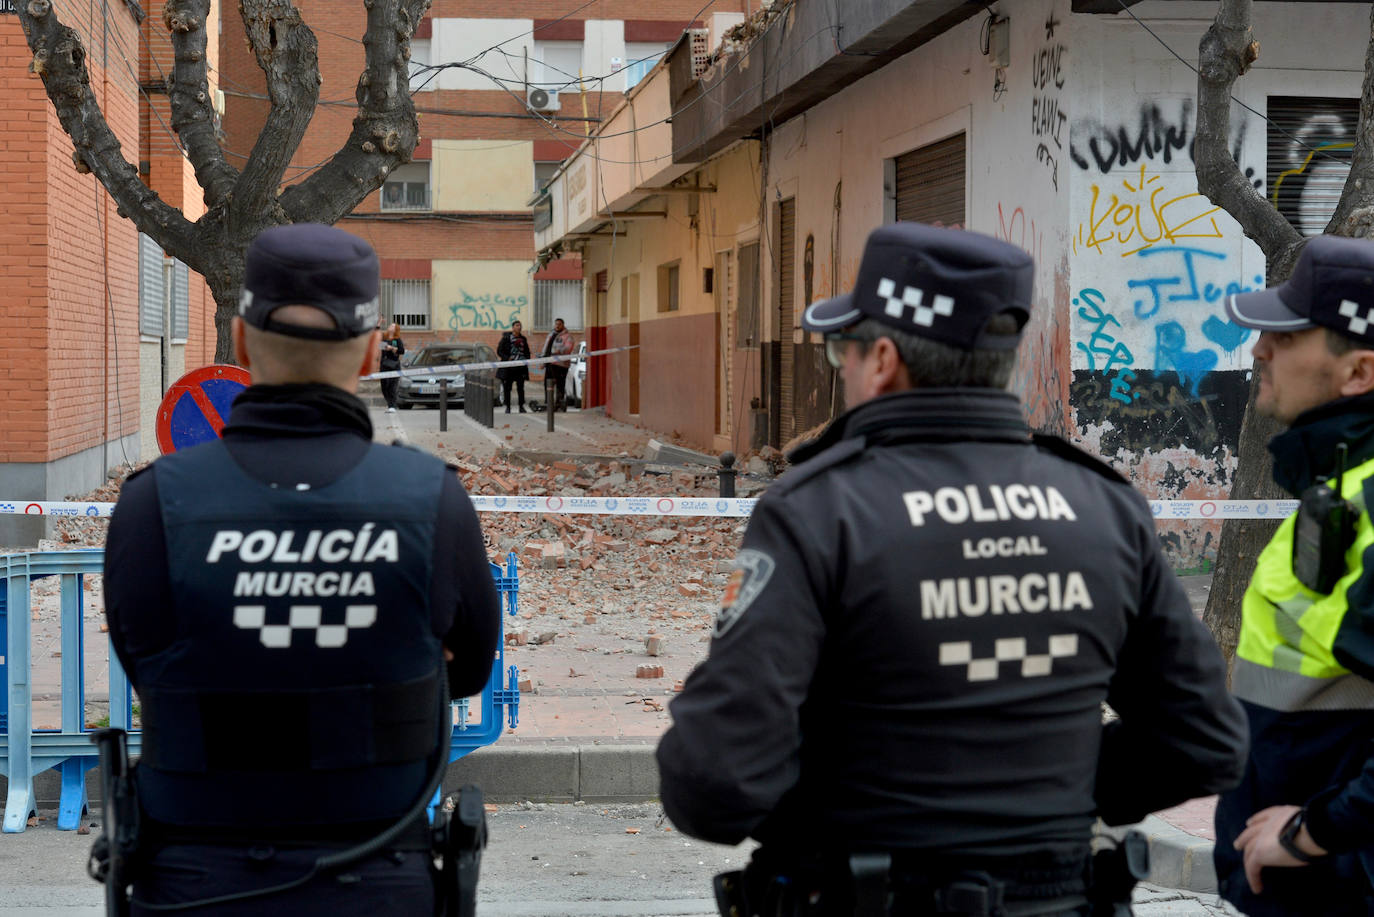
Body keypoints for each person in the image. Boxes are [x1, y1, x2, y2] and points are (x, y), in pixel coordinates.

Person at [656, 222, 1248, 917]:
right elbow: (1205, 739)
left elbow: (712, 781)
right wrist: (1053, 787)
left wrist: (851, 802)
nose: (840, 369)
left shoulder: (821, 508)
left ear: (881, 360)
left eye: (840, 350)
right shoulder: (1104, 505)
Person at [103, 223, 502, 916]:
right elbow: (466, 671)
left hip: (192, 888)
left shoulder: (151, 506)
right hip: (380, 884)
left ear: (239, 340)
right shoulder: (432, 501)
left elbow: (143, 661)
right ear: (375, 348)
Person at [1214, 234, 1374, 917]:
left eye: (1286, 336)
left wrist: (1313, 832)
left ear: (1358, 372)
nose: (1258, 351)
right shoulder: (1338, 487)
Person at [540, 317, 574, 411]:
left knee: (560, 384)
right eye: (556, 324)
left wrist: (558, 351)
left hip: (561, 365)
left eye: (559, 324)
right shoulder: (551, 335)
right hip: (550, 363)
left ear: (563, 325)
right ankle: (548, 402)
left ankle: (559, 403)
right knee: (548, 383)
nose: (557, 326)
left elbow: (568, 348)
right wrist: (543, 361)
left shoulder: (567, 336)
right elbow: (546, 348)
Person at [497, 319, 531, 413]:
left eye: (520, 325)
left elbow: (527, 352)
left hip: (520, 368)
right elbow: (499, 351)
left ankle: (521, 406)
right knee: (507, 388)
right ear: (513, 328)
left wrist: (526, 360)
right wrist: (507, 358)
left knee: (521, 388)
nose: (519, 327)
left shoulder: (523, 339)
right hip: (509, 368)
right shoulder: (506, 338)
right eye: (517, 325)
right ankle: (508, 407)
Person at [379, 321, 405, 412]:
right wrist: (385, 347)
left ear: (395, 330)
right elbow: (379, 345)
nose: (390, 326)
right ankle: (390, 404)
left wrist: (393, 348)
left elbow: (402, 351)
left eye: (392, 326)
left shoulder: (397, 339)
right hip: (384, 365)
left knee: (392, 386)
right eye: (390, 325)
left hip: (394, 365)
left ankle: (392, 406)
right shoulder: (384, 337)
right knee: (384, 386)